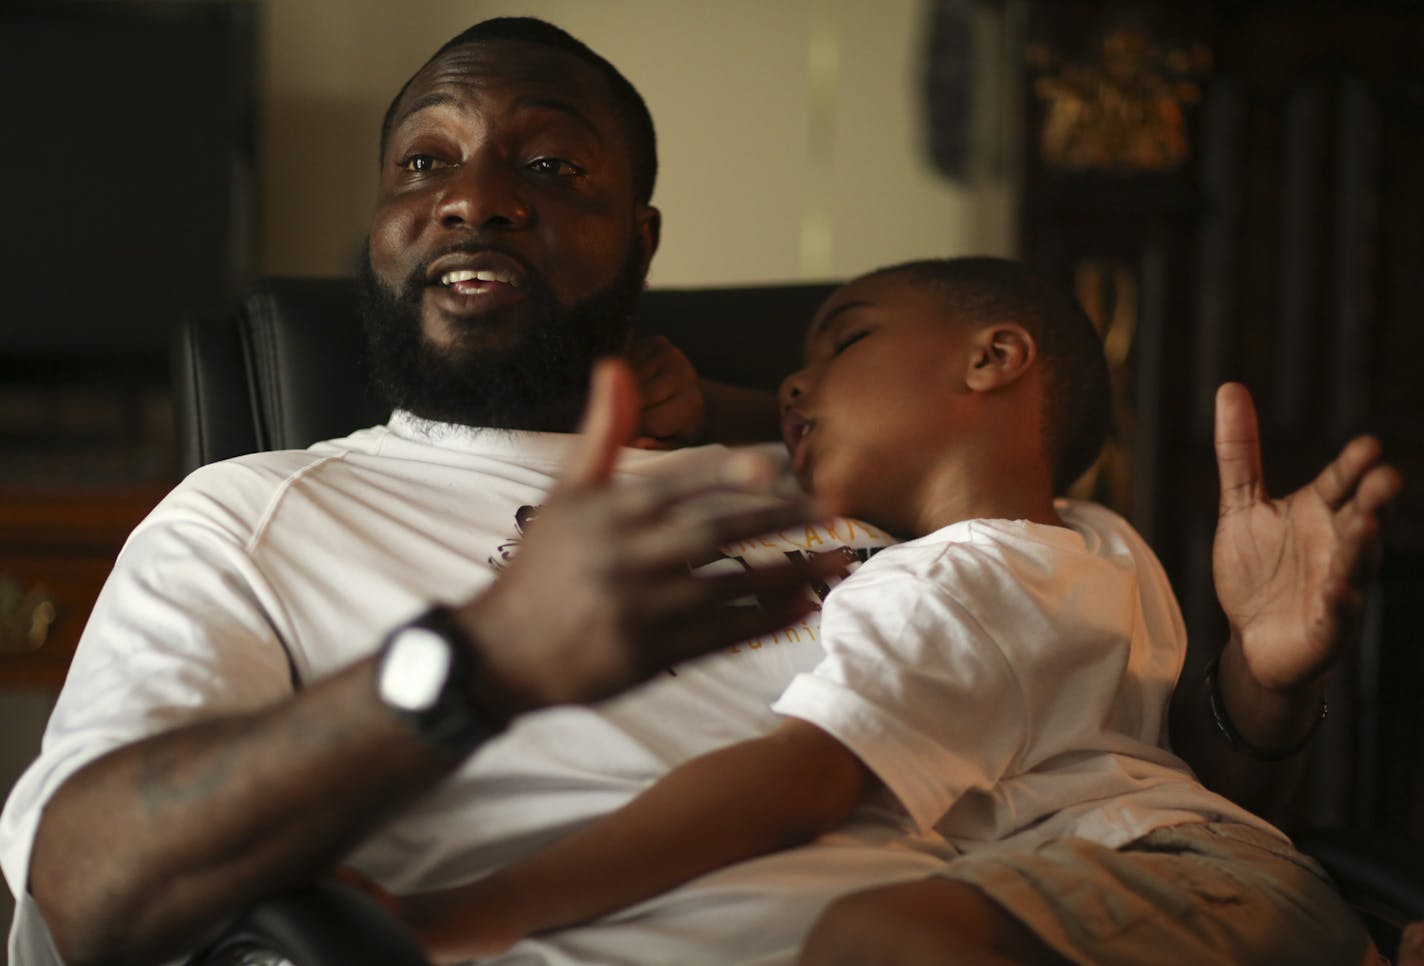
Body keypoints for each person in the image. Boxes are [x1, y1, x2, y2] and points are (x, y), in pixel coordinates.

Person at [0, 17, 1399, 966]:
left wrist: (1264, 694)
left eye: (549, 166)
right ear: (374, 226)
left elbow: (1149, 803)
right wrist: (469, 668)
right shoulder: (253, 515)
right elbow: (90, 881)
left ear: (641, 237)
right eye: (425, 161)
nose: (473, 196)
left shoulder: (884, 516)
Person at [374, 257, 1379, 965]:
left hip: (1166, 873)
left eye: (845, 340)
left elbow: (800, 778)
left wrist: (463, 916)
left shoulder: (958, 579)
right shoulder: (1091, 536)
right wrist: (727, 407)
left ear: (991, 359)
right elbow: (886, 440)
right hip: (1194, 884)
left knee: (877, 945)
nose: (791, 387)